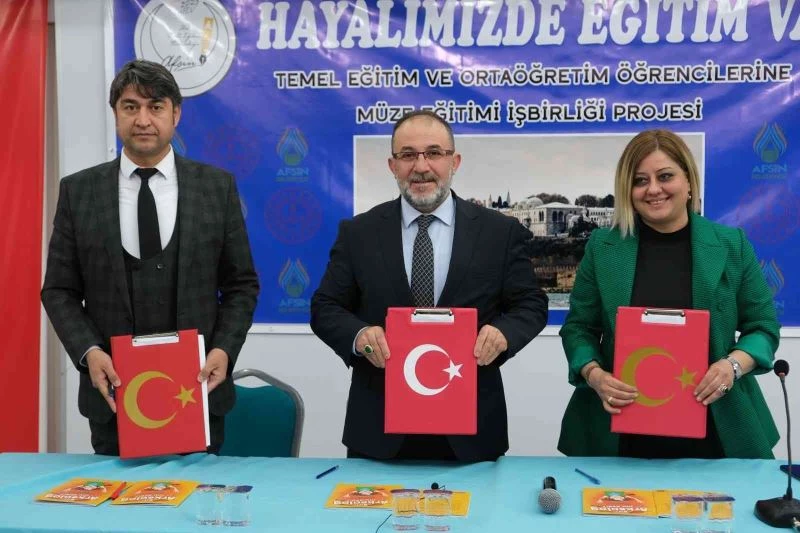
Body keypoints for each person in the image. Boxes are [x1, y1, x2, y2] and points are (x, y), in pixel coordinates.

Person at [41, 59, 259, 455]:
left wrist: (224, 350)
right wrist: (89, 352)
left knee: (196, 496)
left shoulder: (216, 188)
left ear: (176, 114)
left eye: (155, 106)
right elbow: (58, 290)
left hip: (197, 393)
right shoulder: (79, 191)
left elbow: (241, 285)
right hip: (113, 397)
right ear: (115, 114)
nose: (143, 119)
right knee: (116, 497)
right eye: (131, 107)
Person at [310, 110, 548, 462]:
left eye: (434, 153)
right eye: (408, 155)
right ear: (392, 166)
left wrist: (504, 333)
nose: (421, 166)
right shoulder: (359, 233)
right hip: (379, 429)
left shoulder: (499, 232)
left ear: (455, 161)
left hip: (471, 432)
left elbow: (531, 304)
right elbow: (325, 307)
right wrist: (359, 336)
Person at [558, 129, 780, 459]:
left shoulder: (732, 244)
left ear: (688, 181)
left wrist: (732, 366)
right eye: (640, 181)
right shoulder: (602, 248)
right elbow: (578, 329)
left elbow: (763, 328)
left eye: (665, 176)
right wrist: (595, 375)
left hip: (717, 428)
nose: (653, 189)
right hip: (620, 429)